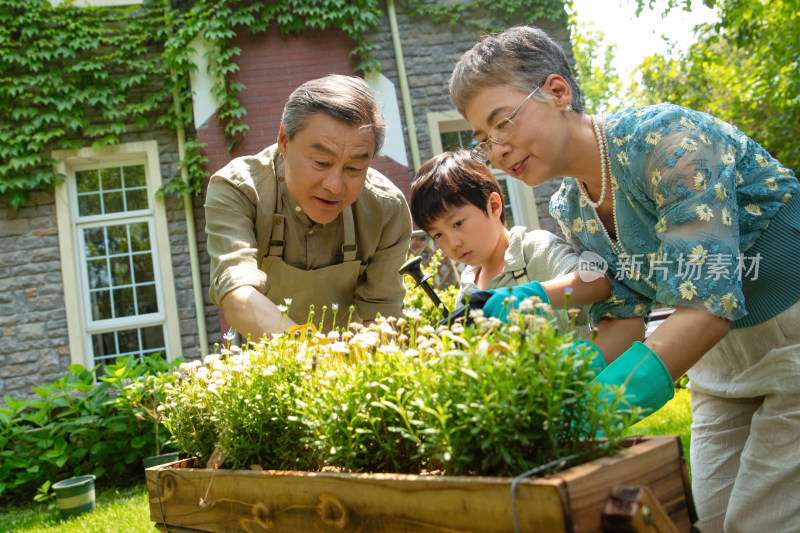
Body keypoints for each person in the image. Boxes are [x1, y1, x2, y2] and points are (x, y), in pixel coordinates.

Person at [449, 25, 800, 533]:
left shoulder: (666, 142)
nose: (497, 151)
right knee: (711, 519)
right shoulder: (570, 206)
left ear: (557, 91)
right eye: (483, 140)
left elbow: (704, 310)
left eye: (502, 123)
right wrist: (557, 397)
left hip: (790, 341)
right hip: (718, 369)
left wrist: (596, 412)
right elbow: (622, 317)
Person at [205, 74, 412, 339]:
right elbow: (237, 294)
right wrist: (314, 360)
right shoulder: (239, 189)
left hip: (351, 360)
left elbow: (382, 317)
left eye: (354, 168)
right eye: (321, 162)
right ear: (284, 141)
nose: (335, 186)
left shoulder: (386, 208)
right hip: (263, 362)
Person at [409, 149, 611, 337]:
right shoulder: (468, 290)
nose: (452, 243)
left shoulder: (533, 249)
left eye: (458, 223)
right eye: (437, 235)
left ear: (494, 207)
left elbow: (596, 283)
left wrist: (526, 295)